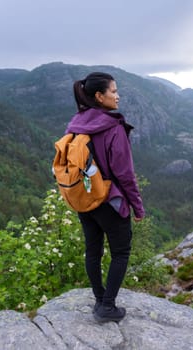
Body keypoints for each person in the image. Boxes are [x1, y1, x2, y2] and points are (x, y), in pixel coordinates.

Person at [65, 72, 145, 322]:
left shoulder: (76, 123)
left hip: (84, 197)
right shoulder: (113, 128)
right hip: (110, 200)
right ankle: (107, 306)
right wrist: (138, 207)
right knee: (120, 253)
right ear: (99, 96)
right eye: (113, 91)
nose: (118, 96)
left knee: (93, 250)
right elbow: (125, 174)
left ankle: (99, 299)